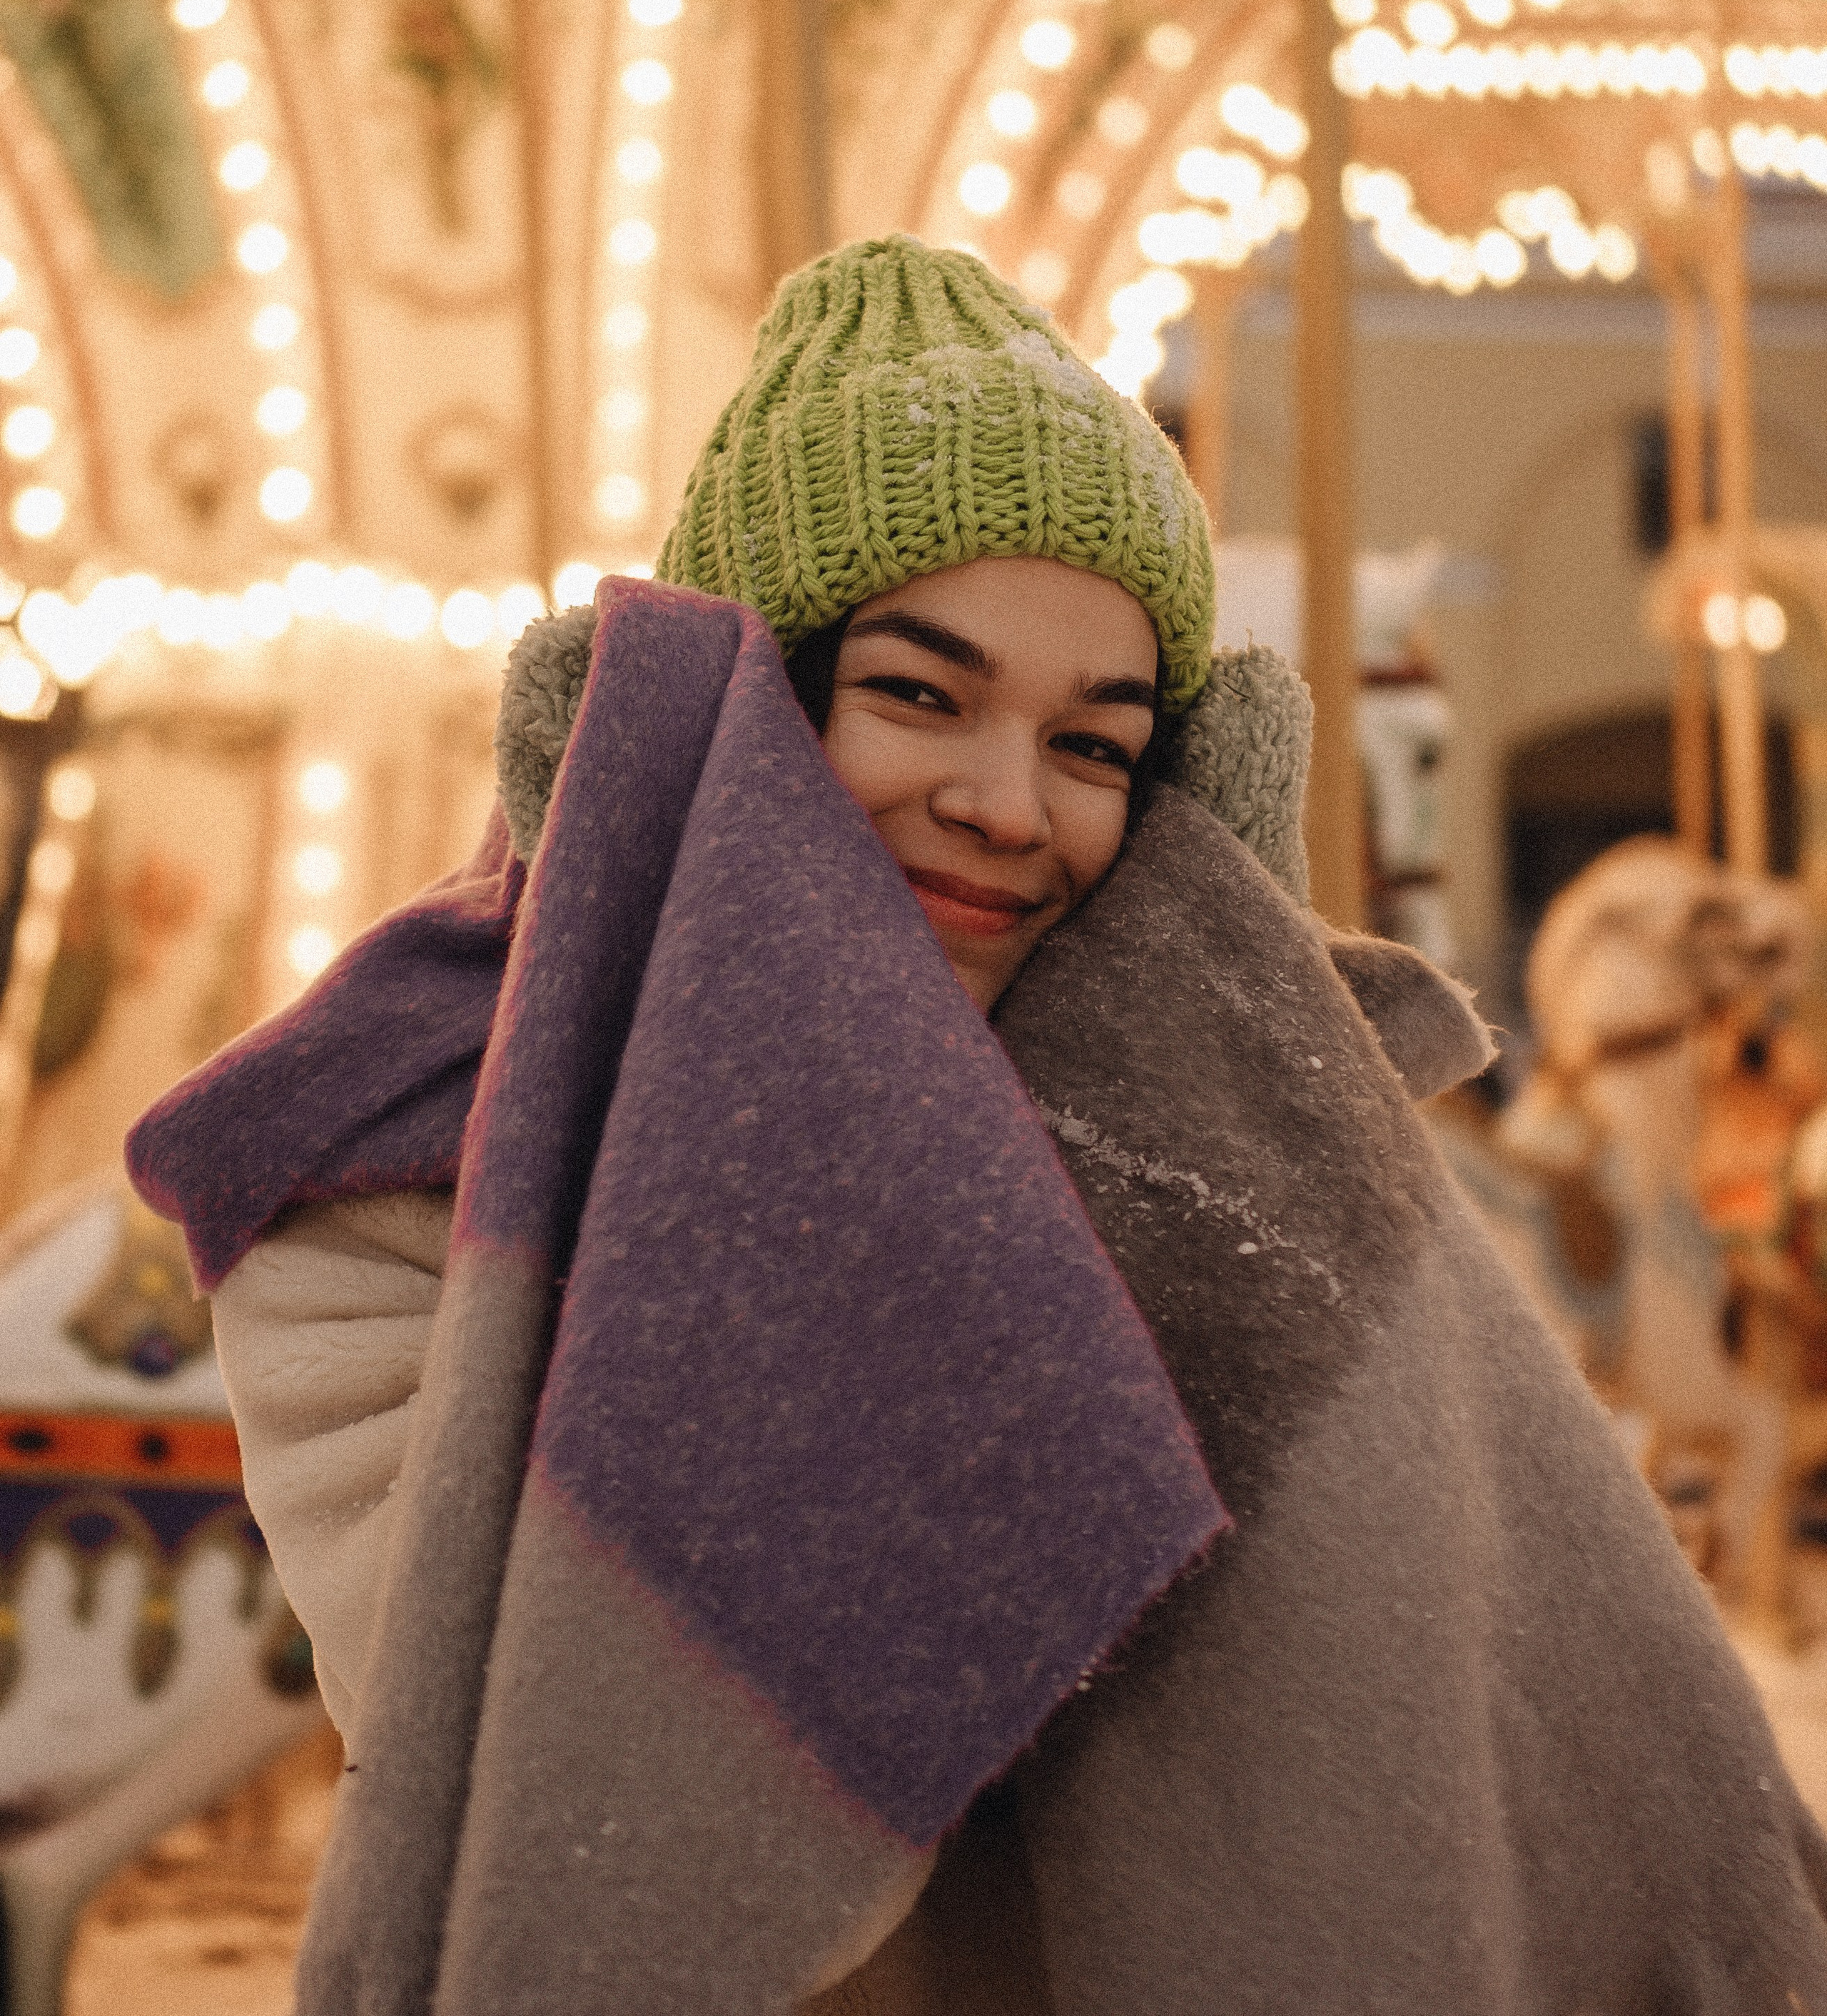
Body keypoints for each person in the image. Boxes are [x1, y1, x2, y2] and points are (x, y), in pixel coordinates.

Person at [130, 236, 1827, 2016]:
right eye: (920, 695)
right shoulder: (393, 1183)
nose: (1007, 805)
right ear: (748, 709)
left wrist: (1208, 1033)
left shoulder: (1243, 1155)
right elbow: (597, 1814)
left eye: (1097, 747)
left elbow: (1466, 1717)